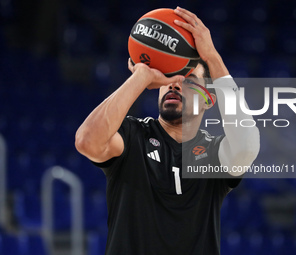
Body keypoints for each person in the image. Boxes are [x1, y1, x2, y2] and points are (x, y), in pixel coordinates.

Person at [75, 6, 260, 255]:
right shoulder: (133, 135)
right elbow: (87, 141)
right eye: (171, 73)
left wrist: (213, 58)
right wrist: (141, 76)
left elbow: (247, 146)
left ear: (208, 99)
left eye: (188, 77)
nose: (175, 81)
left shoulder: (215, 154)